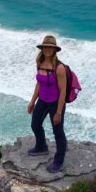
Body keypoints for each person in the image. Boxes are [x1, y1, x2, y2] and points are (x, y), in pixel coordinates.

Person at [27, 34, 67, 172]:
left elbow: (63, 91)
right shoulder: (40, 63)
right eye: (46, 47)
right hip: (42, 100)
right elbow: (39, 83)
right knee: (35, 124)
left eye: (51, 47)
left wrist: (58, 112)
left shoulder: (59, 68)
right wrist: (32, 102)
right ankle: (41, 147)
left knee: (58, 132)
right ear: (42, 48)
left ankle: (59, 161)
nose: (48, 49)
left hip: (56, 103)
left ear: (55, 50)